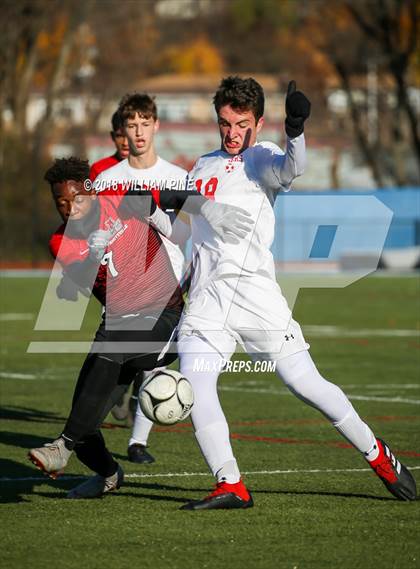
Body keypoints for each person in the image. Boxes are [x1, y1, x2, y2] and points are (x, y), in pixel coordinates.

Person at [175, 76, 417, 510]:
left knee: (307, 385)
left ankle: (376, 453)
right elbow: (197, 234)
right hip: (208, 303)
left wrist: (296, 130)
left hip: (256, 300)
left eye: (241, 123)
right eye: (225, 123)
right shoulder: (202, 166)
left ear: (258, 122)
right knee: (196, 385)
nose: (232, 133)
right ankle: (230, 483)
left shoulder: (262, 157)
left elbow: (292, 168)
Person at [28, 131, 252, 498]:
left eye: (75, 199)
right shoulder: (60, 239)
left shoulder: (123, 199)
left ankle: (60, 447)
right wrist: (90, 255)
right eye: (60, 203)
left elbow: (175, 196)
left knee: (108, 351)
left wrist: (208, 207)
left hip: (165, 319)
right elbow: (82, 281)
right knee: (85, 421)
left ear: (91, 189)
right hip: (117, 329)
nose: (69, 209)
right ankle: (109, 474)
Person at [89, 110, 129, 180]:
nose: (125, 143)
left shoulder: (151, 169)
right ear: (113, 136)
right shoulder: (98, 170)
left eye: (129, 136)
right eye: (119, 136)